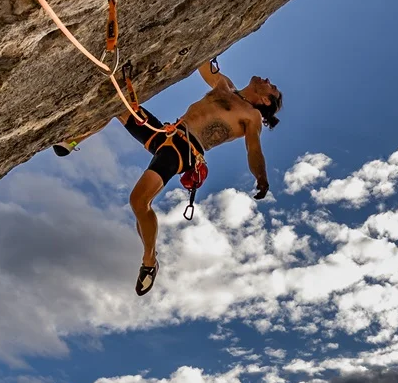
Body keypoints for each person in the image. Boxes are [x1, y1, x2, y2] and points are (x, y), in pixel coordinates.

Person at [54, 64, 282, 295]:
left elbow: (253, 149)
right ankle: (73, 141)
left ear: (264, 100)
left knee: (138, 201)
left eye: (272, 87)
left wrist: (261, 177)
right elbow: (203, 62)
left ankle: (149, 261)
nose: (268, 79)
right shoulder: (224, 85)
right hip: (166, 133)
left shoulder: (250, 115)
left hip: (185, 150)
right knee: (118, 103)